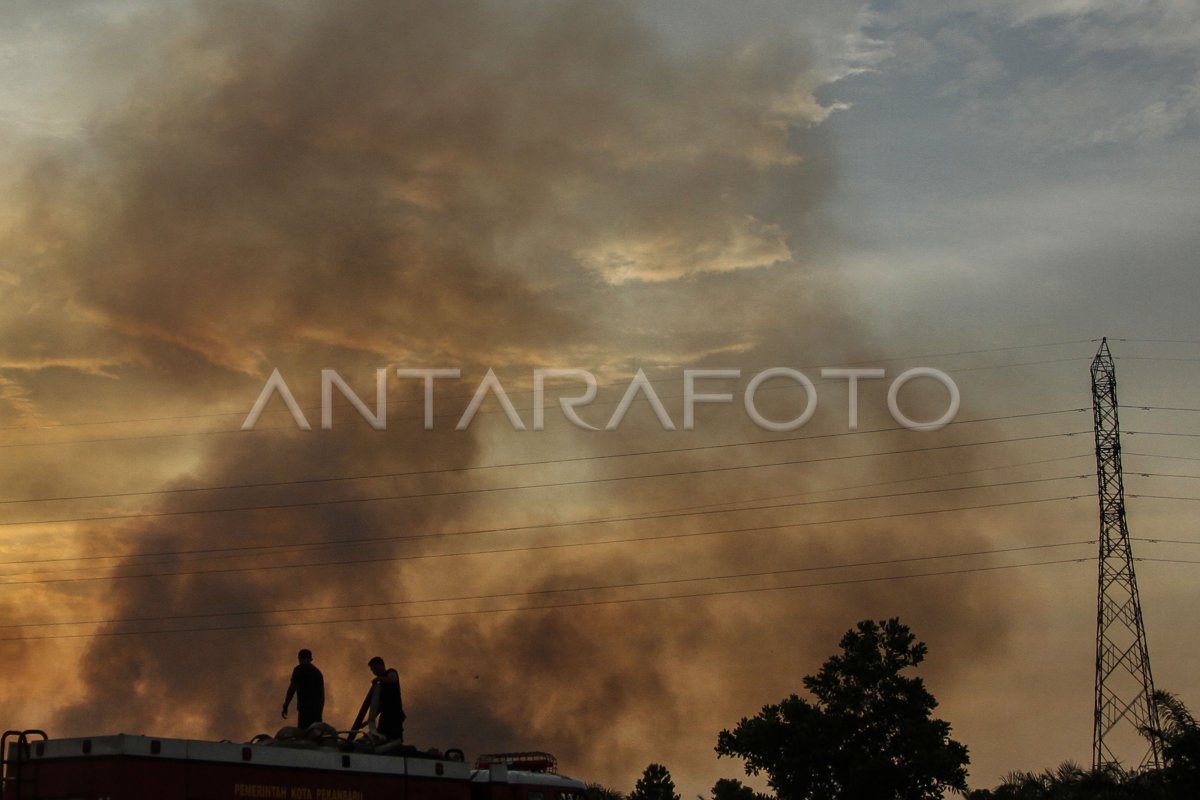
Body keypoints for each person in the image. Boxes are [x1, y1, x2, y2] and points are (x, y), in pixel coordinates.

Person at [351, 656, 405, 741]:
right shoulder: (379, 685)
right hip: (385, 715)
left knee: (394, 739)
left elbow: (393, 679)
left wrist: (379, 679)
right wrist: (367, 722)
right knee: (382, 737)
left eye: (374, 668)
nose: (374, 672)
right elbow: (378, 707)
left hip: (394, 714)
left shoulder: (391, 672)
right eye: (372, 670)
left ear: (381, 665)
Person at [281, 648, 325, 728]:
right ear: (310, 659)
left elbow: (292, 688)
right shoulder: (317, 672)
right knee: (314, 735)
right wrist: (319, 712)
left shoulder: (299, 669)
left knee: (304, 735)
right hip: (317, 712)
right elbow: (322, 695)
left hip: (305, 710)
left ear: (299, 658)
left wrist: (286, 704)